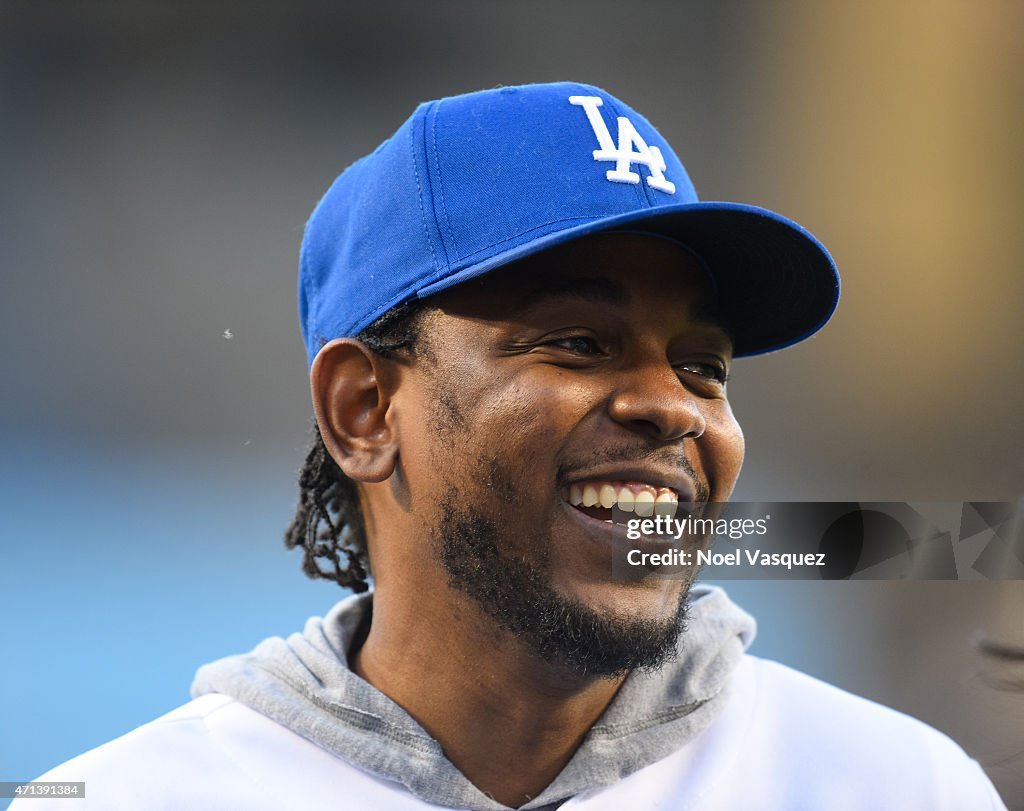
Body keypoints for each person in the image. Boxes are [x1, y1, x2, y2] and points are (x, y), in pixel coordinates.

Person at [15, 82, 1006, 810]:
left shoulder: (891, 787)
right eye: (579, 341)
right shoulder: (125, 798)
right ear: (364, 409)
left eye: (704, 365)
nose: (674, 408)